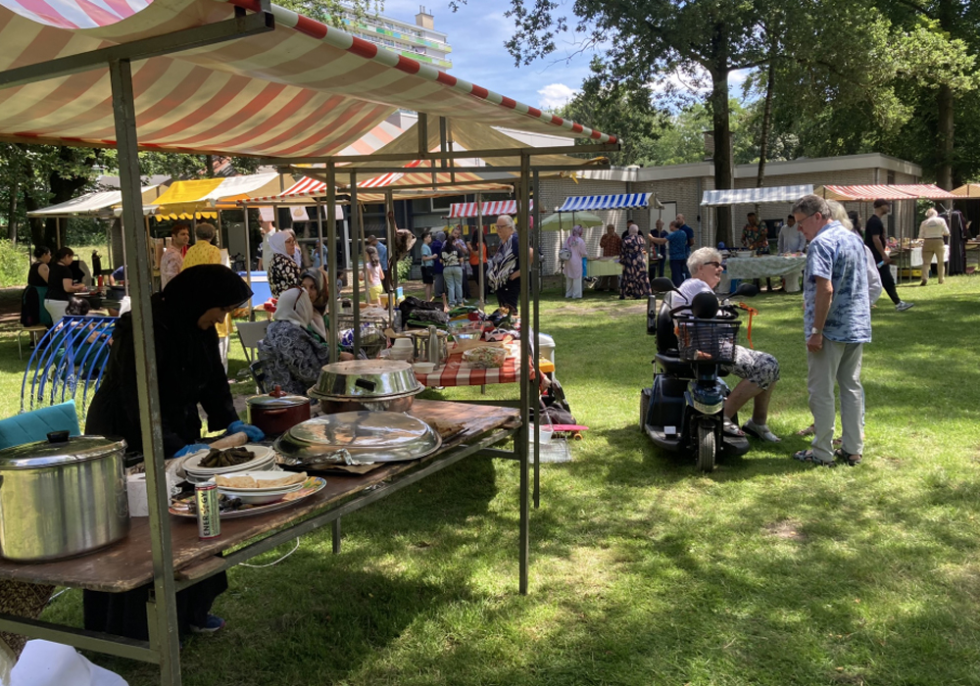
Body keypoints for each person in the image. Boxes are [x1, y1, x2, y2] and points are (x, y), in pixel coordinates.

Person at [84, 265, 264, 639]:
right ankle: (134, 629)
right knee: (139, 530)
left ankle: (193, 610)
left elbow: (214, 381)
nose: (222, 318)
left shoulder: (199, 325)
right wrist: (169, 445)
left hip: (176, 428)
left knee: (191, 520)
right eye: (222, 309)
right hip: (125, 432)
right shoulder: (144, 328)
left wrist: (230, 421)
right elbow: (138, 396)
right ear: (200, 300)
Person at [792, 194, 870, 467]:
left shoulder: (821, 243)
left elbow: (825, 288)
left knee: (821, 391)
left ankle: (822, 452)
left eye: (801, 222)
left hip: (829, 330)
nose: (799, 229)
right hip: (856, 325)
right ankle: (852, 449)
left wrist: (816, 330)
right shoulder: (854, 238)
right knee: (851, 388)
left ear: (817, 216)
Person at [675, 247, 781, 442]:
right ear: (700, 268)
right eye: (715, 264)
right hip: (709, 347)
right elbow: (713, 316)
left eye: (721, 264)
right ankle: (724, 417)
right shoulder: (699, 287)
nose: (721, 268)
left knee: (770, 364)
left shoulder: (689, 287)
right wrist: (725, 311)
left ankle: (758, 422)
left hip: (701, 345)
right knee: (768, 365)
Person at [258, 287, 336, 396]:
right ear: (301, 307)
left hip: (278, 391)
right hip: (292, 398)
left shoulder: (275, 326)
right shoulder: (290, 333)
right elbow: (306, 374)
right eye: (307, 304)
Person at [865, 199, 914, 311]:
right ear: (881, 206)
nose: (889, 207)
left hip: (875, 255)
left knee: (883, 279)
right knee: (886, 279)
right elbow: (875, 239)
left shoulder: (876, 221)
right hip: (876, 256)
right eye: (887, 205)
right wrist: (883, 255)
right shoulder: (874, 222)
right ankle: (898, 303)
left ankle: (897, 302)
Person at [488, 215, 531, 314]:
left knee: (510, 311)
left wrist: (521, 272)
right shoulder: (503, 242)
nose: (497, 230)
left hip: (510, 283)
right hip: (501, 284)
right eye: (496, 226)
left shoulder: (515, 240)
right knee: (504, 312)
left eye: (500, 227)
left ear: (510, 227)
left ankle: (515, 328)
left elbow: (532, 253)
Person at [649, 222, 689, 287]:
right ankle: (683, 286)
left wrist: (652, 238)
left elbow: (662, 241)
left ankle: (678, 288)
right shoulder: (683, 233)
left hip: (675, 257)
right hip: (683, 256)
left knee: (676, 275)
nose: (669, 228)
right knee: (682, 274)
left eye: (670, 226)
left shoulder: (673, 234)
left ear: (673, 226)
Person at [918, 207, 950, 286]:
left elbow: (921, 235)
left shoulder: (924, 222)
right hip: (938, 240)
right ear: (936, 213)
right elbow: (947, 232)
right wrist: (940, 232)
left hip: (927, 241)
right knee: (940, 261)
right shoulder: (941, 220)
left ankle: (924, 278)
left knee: (926, 263)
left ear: (927, 215)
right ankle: (941, 279)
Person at [618, 224, 650, 300]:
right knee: (640, 276)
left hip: (630, 260)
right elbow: (643, 250)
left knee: (628, 276)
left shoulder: (626, 239)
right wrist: (645, 256)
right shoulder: (641, 239)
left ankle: (624, 294)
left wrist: (621, 260)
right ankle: (639, 293)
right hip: (640, 259)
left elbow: (623, 251)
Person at [741, 212, 772, 292]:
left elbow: (764, 235)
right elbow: (743, 238)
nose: (751, 221)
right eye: (749, 220)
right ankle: (756, 286)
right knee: (755, 267)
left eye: (752, 219)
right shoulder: (746, 227)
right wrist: (745, 243)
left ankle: (769, 285)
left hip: (763, 248)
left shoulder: (761, 224)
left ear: (755, 218)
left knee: (766, 266)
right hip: (753, 251)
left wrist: (756, 243)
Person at [267, 229, 302, 298]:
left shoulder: (276, 259)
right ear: (280, 244)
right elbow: (296, 283)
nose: (293, 244)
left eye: (293, 241)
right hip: (289, 302)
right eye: (288, 241)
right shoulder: (282, 262)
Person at [562, 225, 589, 299]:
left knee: (569, 278)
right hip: (576, 261)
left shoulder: (568, 240)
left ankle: (568, 294)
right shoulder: (580, 241)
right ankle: (576, 294)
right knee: (576, 278)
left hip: (568, 261)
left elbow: (564, 249)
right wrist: (586, 254)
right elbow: (583, 252)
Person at [160, 222, 190, 288]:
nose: (186, 237)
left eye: (187, 234)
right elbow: (172, 278)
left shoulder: (173, 253)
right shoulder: (173, 255)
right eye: (183, 234)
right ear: (174, 236)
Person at [440, 234, 465, 307]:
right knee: (458, 285)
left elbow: (440, 261)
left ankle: (451, 302)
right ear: (454, 241)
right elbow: (461, 259)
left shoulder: (442, 250)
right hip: (457, 267)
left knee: (450, 286)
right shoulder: (457, 249)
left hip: (447, 268)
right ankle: (460, 302)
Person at [598, 223, 622, 291]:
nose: (611, 230)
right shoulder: (604, 236)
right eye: (609, 228)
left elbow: (620, 245)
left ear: (614, 229)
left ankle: (613, 287)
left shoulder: (617, 237)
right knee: (605, 271)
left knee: (614, 272)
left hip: (614, 257)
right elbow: (601, 245)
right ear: (607, 230)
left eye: (612, 228)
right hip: (606, 257)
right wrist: (608, 238)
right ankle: (603, 286)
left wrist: (619, 256)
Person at [468, 227, 489, 300]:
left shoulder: (481, 244)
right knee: (479, 282)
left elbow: (478, 254)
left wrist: (470, 248)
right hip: (475, 265)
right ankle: (483, 298)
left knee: (482, 282)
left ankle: (484, 298)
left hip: (480, 264)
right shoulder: (476, 244)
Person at [431, 230, 448, 311]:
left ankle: (439, 292)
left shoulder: (433, 243)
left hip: (436, 263)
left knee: (439, 278)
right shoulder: (440, 244)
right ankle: (438, 293)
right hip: (439, 263)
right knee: (439, 278)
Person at [675, 214, 695, 278]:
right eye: (676, 219)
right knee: (680, 270)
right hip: (678, 253)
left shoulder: (687, 229)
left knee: (687, 269)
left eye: (679, 218)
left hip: (686, 252)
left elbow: (692, 241)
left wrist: (685, 246)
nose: (677, 220)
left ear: (683, 219)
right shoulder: (677, 229)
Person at [420, 232, 435, 301]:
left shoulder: (426, 246)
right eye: (429, 237)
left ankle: (429, 298)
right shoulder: (424, 247)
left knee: (430, 283)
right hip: (426, 267)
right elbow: (424, 258)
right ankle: (427, 299)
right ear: (425, 238)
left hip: (429, 266)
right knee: (428, 284)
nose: (430, 238)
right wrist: (433, 257)